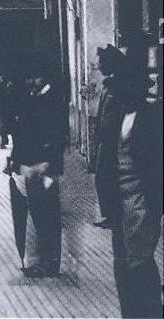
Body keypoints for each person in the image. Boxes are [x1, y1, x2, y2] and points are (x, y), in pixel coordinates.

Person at [107, 46, 163, 319]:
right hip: (120, 204)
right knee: (122, 265)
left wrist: (155, 207)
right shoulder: (117, 116)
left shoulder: (152, 119)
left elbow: (157, 168)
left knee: (139, 264)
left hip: (141, 203)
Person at [8, 61, 67, 277]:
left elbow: (59, 137)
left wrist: (48, 165)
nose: (30, 82)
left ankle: (50, 264)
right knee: (41, 215)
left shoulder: (52, 101)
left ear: (44, 77)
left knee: (48, 217)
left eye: (34, 77)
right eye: (28, 78)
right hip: (35, 166)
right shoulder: (36, 98)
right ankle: (45, 261)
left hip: (45, 168)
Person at [93, 44, 125, 229]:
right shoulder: (108, 86)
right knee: (103, 177)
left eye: (100, 63)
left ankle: (113, 215)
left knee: (107, 177)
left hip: (113, 140)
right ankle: (110, 214)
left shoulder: (116, 86)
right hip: (105, 139)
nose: (97, 67)